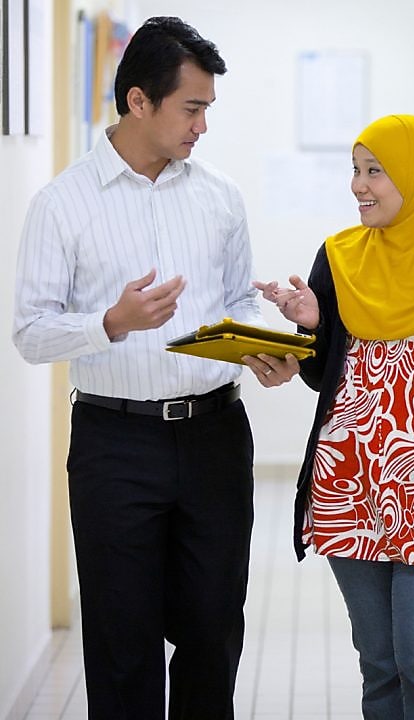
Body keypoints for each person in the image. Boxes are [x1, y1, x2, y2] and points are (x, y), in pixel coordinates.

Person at [10, 16, 294, 720]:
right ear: (139, 101)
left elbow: (237, 300)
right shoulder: (61, 204)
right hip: (115, 446)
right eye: (192, 108)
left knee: (213, 632)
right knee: (122, 641)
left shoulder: (219, 196)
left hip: (215, 438)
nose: (203, 125)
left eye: (208, 108)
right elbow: (31, 334)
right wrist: (111, 323)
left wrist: (257, 346)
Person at [250, 114, 414, 718]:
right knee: (379, 664)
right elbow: (323, 375)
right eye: (355, 170)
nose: (358, 185)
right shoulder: (338, 257)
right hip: (348, 486)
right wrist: (312, 326)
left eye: (375, 171)